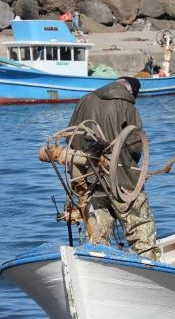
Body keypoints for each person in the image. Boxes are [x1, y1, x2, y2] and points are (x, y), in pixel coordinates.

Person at [68, 77, 161, 260]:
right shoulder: (127, 106)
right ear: (131, 92)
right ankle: (149, 265)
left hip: (89, 178)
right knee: (139, 226)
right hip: (122, 179)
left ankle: (97, 266)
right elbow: (135, 144)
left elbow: (71, 136)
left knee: (97, 234)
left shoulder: (85, 100)